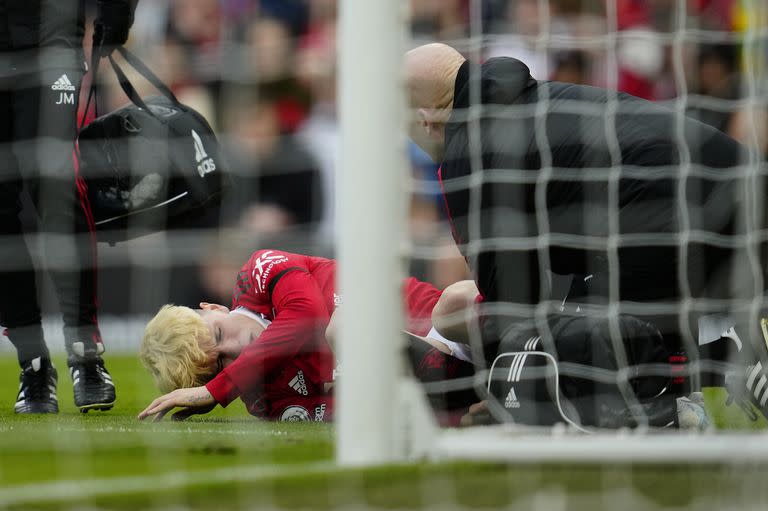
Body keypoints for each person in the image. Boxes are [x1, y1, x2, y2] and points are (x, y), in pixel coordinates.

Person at [404, 43, 768, 419]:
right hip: (740, 194)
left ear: (425, 118)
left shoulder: (469, 152)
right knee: (580, 315)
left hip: (683, 219)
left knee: (581, 340)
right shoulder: (532, 97)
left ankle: (717, 362)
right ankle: (692, 381)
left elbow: (513, 302)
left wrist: (506, 395)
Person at [138, 249, 476, 423]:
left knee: (454, 301)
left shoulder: (258, 271)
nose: (238, 346)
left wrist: (217, 388)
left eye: (219, 333)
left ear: (213, 306)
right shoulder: (264, 400)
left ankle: (522, 347)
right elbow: (351, 415)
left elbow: (307, 318)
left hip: (443, 324)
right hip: (431, 385)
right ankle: (485, 397)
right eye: (223, 361)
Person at [0, 1, 137, 413]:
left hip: (50, 38)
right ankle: (33, 364)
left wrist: (117, 12)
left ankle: (86, 353)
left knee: (54, 183)